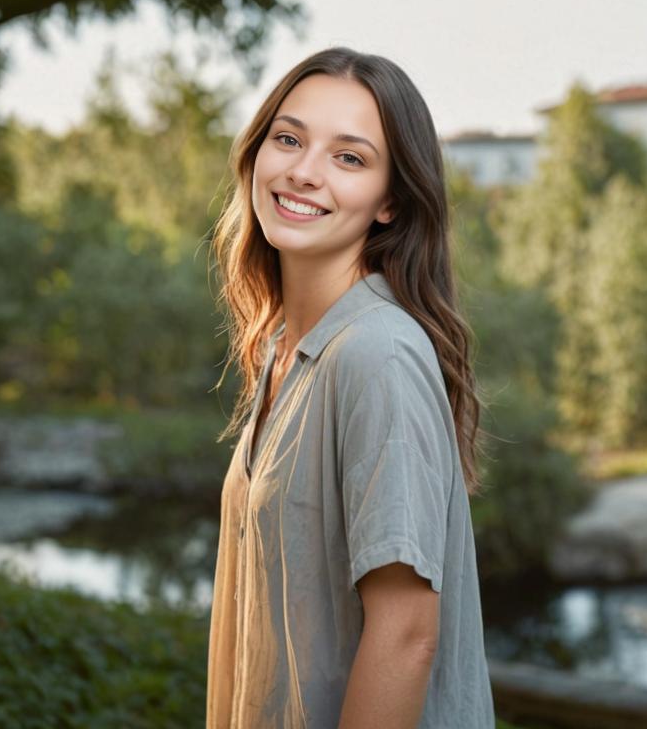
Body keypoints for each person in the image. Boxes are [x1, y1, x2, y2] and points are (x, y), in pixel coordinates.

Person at [206, 46, 495, 729]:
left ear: (391, 200)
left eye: (349, 157)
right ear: (257, 153)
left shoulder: (377, 354)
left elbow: (405, 634)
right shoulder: (288, 348)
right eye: (288, 139)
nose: (303, 172)